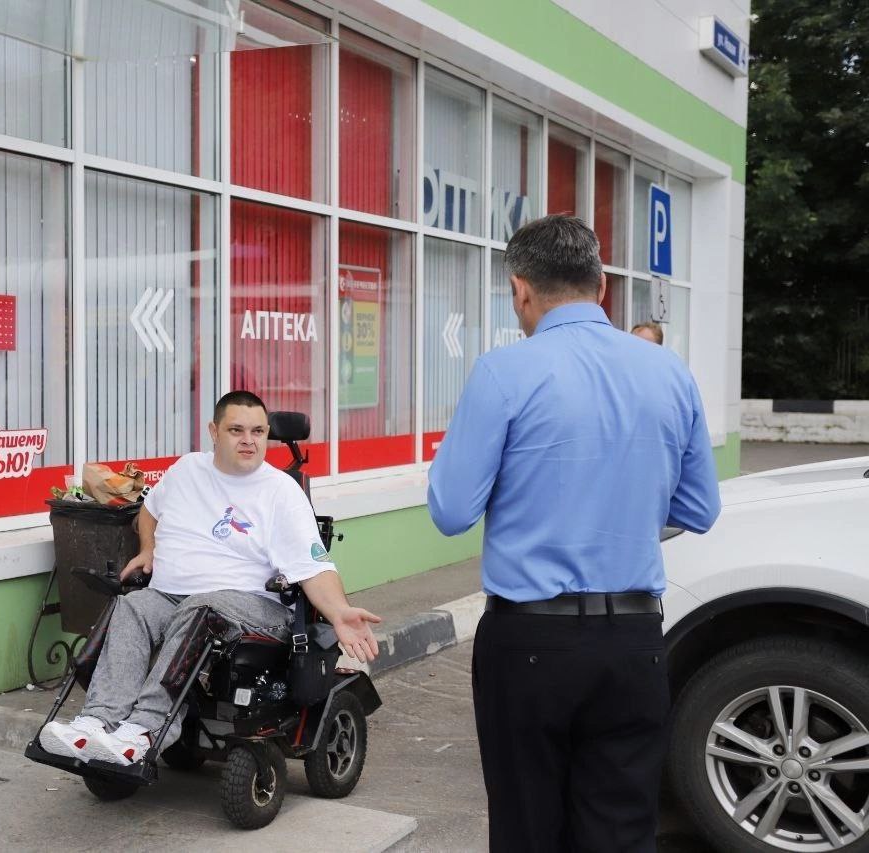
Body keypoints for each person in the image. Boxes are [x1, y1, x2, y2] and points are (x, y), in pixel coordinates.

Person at [426, 215, 720, 852]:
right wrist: (625, 507)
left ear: (520, 289)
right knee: (621, 832)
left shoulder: (504, 371)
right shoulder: (669, 373)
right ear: (602, 285)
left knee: (528, 830)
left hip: (529, 639)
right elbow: (700, 508)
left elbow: (451, 511)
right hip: (634, 639)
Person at [39, 391, 381, 764]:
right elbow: (149, 511)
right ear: (214, 432)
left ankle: (146, 729)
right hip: (172, 595)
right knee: (132, 605)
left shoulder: (282, 493)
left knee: (202, 607)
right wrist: (148, 549)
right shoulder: (187, 470)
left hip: (253, 607)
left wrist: (339, 612)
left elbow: (313, 568)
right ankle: (97, 721)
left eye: (258, 431)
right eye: (236, 430)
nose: (249, 441)